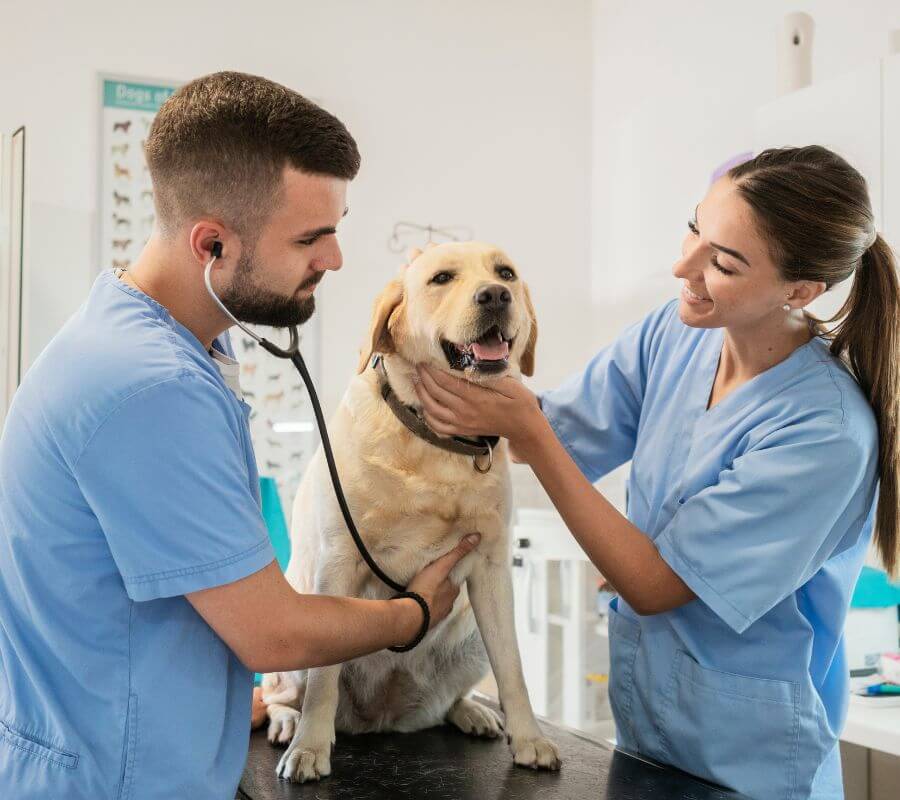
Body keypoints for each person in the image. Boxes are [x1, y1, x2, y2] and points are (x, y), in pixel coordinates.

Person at [0, 71, 480, 800]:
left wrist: (216, 700)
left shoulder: (141, 339)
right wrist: (410, 615)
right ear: (212, 244)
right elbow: (273, 634)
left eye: (338, 228)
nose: (335, 260)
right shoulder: (151, 386)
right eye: (311, 238)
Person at [416, 146, 900, 799]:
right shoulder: (675, 336)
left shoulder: (824, 432)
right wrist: (426, 391)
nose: (684, 266)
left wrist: (523, 425)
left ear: (801, 291)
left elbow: (652, 583)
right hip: (648, 738)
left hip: (750, 766)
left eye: (723, 262)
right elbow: (550, 433)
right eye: (696, 227)